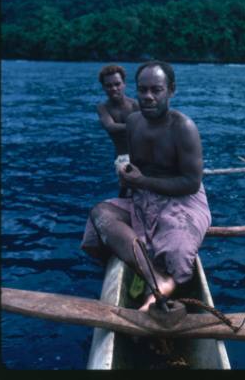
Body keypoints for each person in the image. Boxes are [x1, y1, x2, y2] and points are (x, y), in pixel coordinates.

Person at [81, 61, 211, 311]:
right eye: (143, 90)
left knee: (177, 248)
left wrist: (142, 181)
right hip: (144, 196)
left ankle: (164, 283)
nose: (148, 97)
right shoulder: (133, 122)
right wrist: (129, 182)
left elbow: (192, 183)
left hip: (183, 199)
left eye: (156, 90)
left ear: (171, 90)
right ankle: (157, 279)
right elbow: (136, 166)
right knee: (101, 214)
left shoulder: (183, 127)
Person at [96, 64, 139, 194]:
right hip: (122, 157)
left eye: (117, 84)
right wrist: (135, 125)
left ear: (124, 84)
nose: (114, 88)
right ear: (103, 87)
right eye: (109, 85)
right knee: (126, 185)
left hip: (142, 154)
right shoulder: (103, 108)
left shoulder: (135, 104)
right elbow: (110, 127)